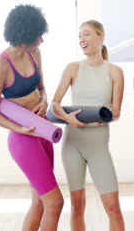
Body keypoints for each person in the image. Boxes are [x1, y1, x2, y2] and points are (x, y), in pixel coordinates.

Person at [0, 4, 63, 230]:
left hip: (44, 130)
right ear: (25, 33)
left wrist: (44, 100)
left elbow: (41, 87)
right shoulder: (0, 66)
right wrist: (17, 128)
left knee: (40, 201)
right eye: (39, 35)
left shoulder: (35, 53)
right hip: (23, 139)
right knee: (55, 202)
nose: (42, 40)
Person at [51, 20, 125, 231]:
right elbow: (55, 103)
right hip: (72, 143)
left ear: (101, 37)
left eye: (87, 34)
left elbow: (117, 112)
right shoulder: (73, 68)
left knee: (113, 208)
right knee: (77, 205)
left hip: (98, 147)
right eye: (80, 35)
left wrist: (105, 117)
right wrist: (68, 119)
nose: (82, 39)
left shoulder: (114, 71)